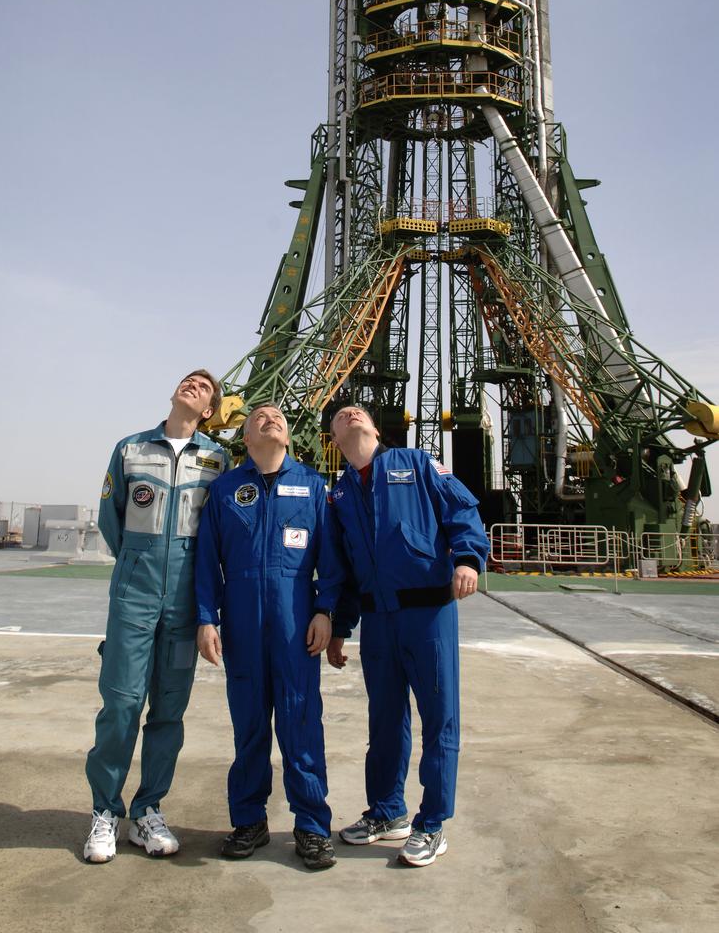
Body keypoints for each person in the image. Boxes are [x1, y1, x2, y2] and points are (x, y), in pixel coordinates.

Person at [326, 403, 488, 868]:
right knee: (385, 720)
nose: (351, 414)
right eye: (341, 417)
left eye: (358, 412)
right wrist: (340, 628)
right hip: (378, 621)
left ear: (375, 428)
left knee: (439, 718)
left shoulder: (416, 463)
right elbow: (345, 570)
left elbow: (461, 507)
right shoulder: (338, 496)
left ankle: (432, 822)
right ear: (334, 440)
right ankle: (386, 811)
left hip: (427, 612)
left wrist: (466, 558)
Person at [83, 369, 230, 864]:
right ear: (174, 394)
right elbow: (112, 518)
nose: (193, 385)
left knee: (168, 711)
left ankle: (147, 811)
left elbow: (218, 532)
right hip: (135, 596)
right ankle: (106, 811)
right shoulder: (130, 450)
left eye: (204, 387)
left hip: (186, 601)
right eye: (188, 380)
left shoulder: (217, 458)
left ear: (209, 411)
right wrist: (139, 565)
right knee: (121, 704)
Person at [195, 403, 343, 871]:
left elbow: (332, 559)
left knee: (301, 722)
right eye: (258, 415)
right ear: (244, 435)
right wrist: (206, 618)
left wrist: (325, 610)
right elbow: (205, 562)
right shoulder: (224, 490)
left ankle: (312, 826)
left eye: (278, 415)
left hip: (296, 619)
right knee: (249, 725)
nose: (270, 417)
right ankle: (249, 820)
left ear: (289, 436)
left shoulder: (314, 487)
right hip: (240, 619)